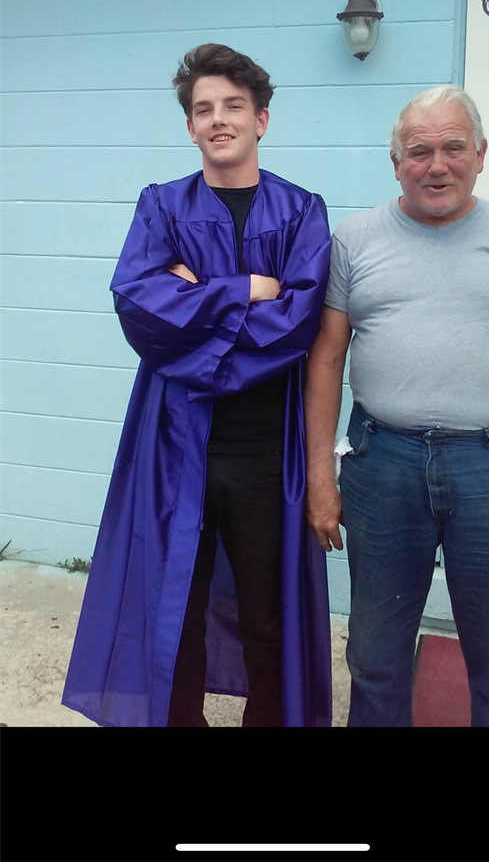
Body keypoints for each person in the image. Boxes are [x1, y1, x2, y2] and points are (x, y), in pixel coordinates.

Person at [62, 44, 332, 727]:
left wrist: (197, 303)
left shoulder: (301, 212)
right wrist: (244, 290)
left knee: (266, 616)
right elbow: (141, 311)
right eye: (204, 109)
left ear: (261, 119)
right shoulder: (162, 206)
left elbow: (296, 326)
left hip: (265, 450)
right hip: (175, 443)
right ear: (189, 126)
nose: (219, 119)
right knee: (172, 610)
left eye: (233, 106)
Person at [305, 85, 489, 728]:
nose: (436, 166)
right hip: (381, 463)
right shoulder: (354, 241)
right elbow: (326, 360)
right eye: (419, 152)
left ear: (482, 155)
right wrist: (320, 477)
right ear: (396, 163)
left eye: (453, 148)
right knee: (376, 660)